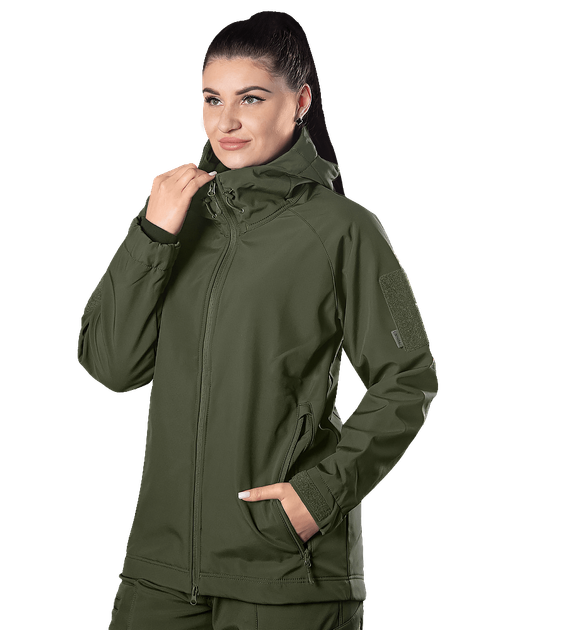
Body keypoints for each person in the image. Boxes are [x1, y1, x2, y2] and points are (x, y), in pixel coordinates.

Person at [77, 10, 439, 630]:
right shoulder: (175, 218)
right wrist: (151, 234)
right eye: (211, 99)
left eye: (250, 98)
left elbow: (408, 378)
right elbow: (112, 367)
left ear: (299, 102)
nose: (226, 121)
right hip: (160, 570)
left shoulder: (343, 229)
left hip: (283, 569)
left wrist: (319, 496)